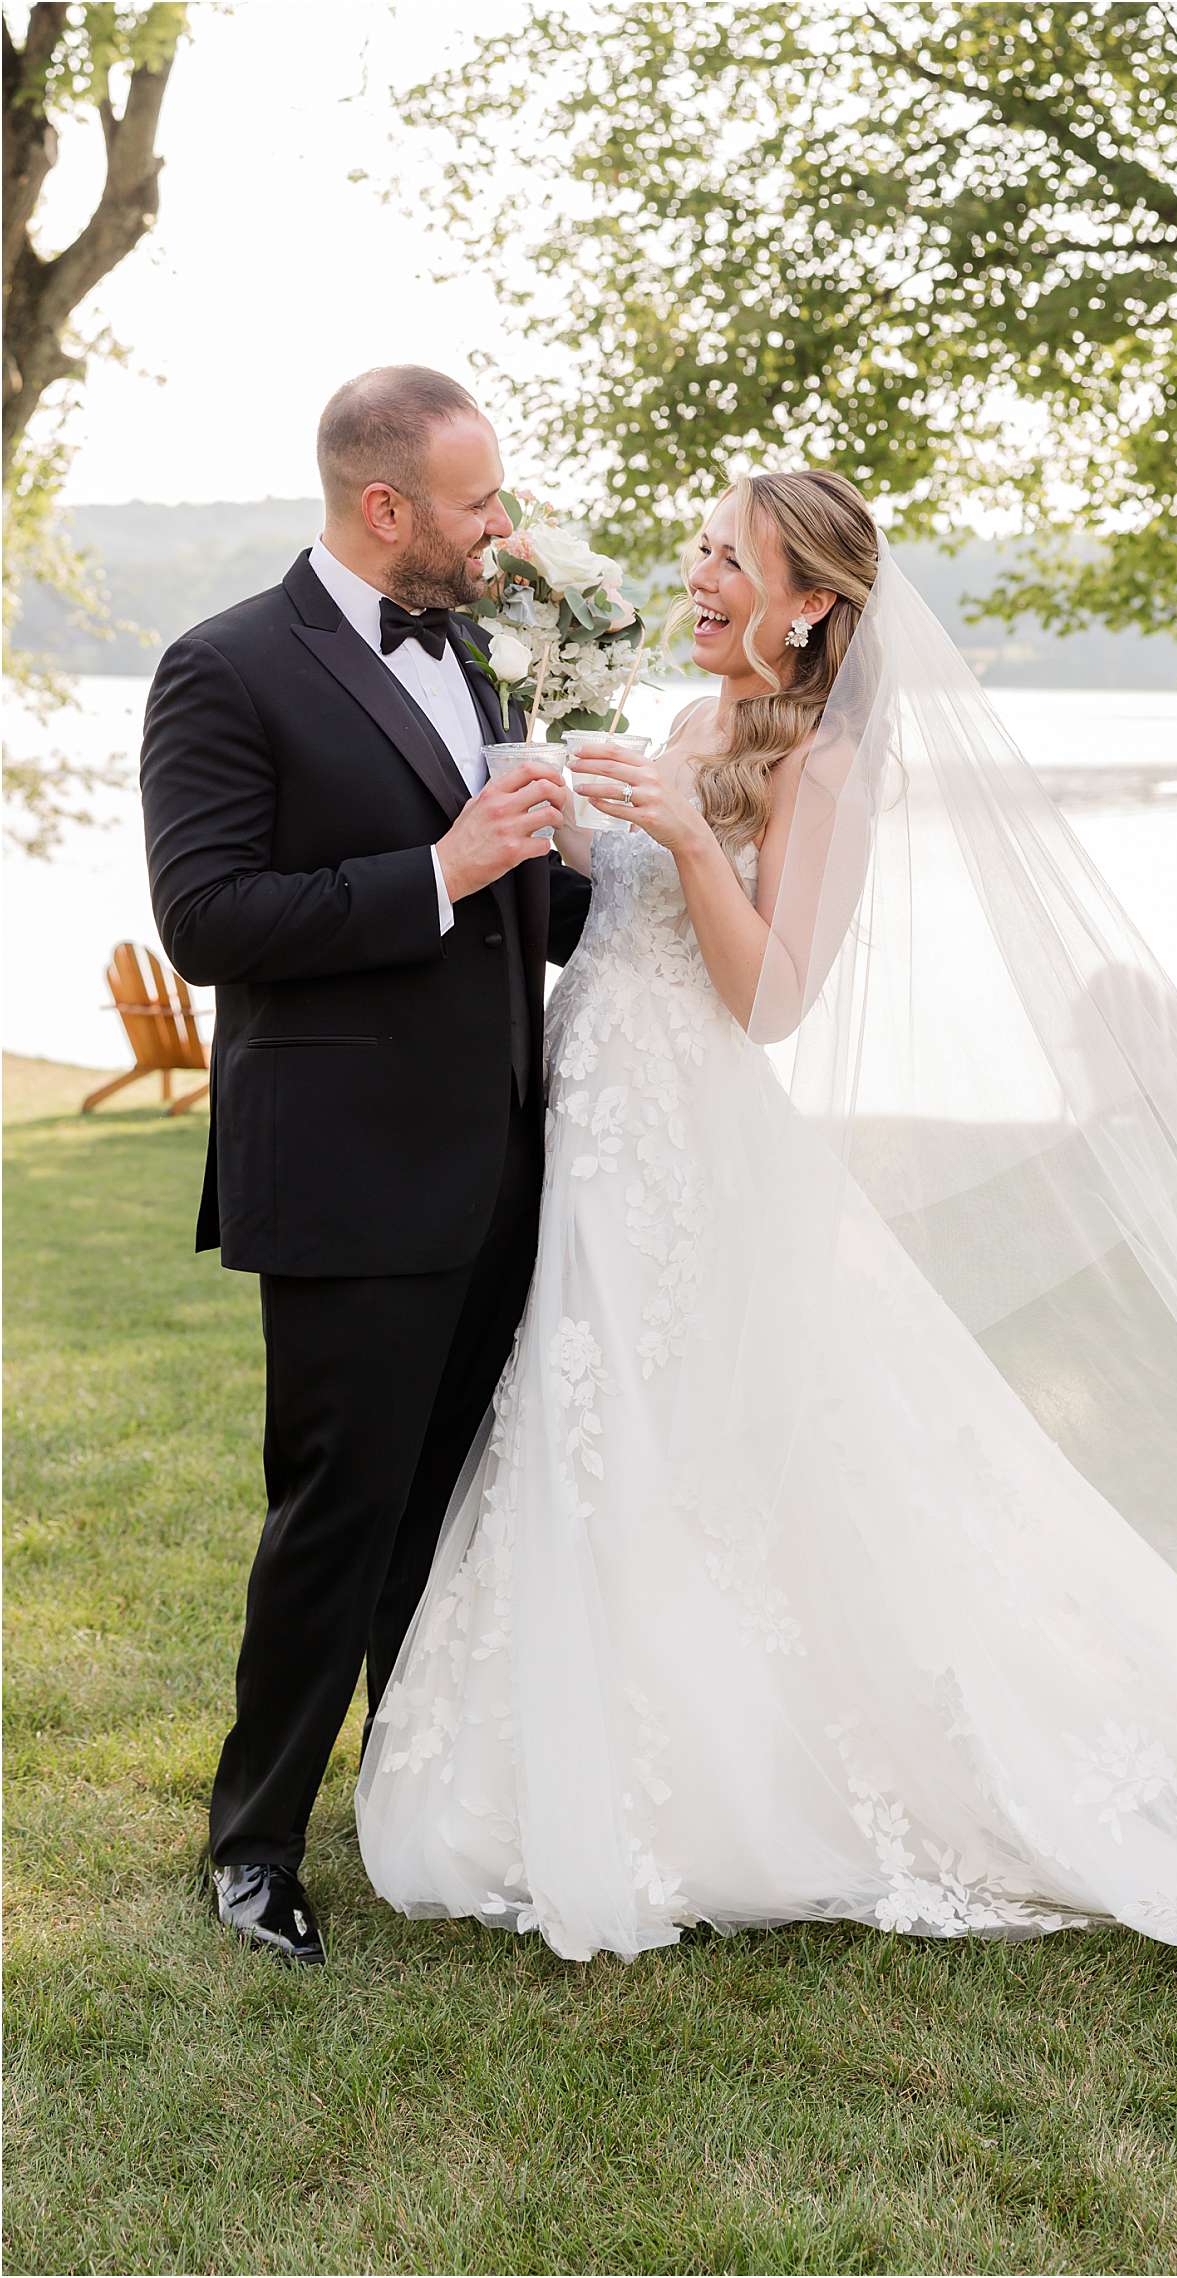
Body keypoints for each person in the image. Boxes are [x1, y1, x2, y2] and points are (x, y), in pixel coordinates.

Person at [356, 470, 1177, 2103]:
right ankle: (576, 1748)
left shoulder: (825, 767)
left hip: (689, 1142)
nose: (693, 573)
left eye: (728, 558)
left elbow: (771, 1003)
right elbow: (596, 925)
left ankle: (723, 1782)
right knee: (592, 1425)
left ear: (809, 602)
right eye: (697, 548)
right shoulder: (688, 713)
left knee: (677, 1435)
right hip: (595, 1128)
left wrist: (688, 838)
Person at [140, 366, 590, 1965]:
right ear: (385, 507)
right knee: (338, 1511)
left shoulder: (480, 654)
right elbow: (208, 922)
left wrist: (601, 864)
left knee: (455, 1504)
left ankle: (414, 1792)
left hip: (503, 1162)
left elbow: (520, 912)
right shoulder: (225, 669)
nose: (503, 528)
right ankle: (253, 1842)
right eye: (480, 504)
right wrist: (440, 867)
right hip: (342, 1174)